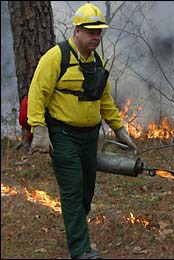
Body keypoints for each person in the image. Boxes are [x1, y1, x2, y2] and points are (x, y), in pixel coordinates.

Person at [27, 3, 137, 259]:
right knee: (73, 189)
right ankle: (80, 250)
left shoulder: (96, 60)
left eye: (99, 33)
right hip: (63, 135)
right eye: (90, 32)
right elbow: (37, 93)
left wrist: (119, 129)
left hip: (90, 137)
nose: (95, 37)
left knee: (86, 192)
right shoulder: (56, 57)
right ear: (77, 31)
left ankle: (76, 227)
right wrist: (39, 128)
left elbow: (104, 99)